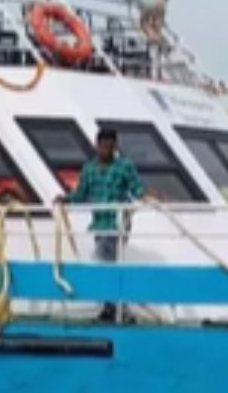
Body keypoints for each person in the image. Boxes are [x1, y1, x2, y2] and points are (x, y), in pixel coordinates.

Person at [53, 127, 154, 321]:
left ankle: (115, 308)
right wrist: (65, 199)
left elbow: (136, 188)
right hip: (99, 224)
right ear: (96, 146)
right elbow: (81, 194)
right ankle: (114, 307)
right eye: (103, 146)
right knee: (107, 263)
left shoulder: (124, 166)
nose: (106, 150)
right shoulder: (89, 168)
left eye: (110, 147)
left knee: (103, 258)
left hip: (118, 224)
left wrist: (148, 196)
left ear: (115, 146)